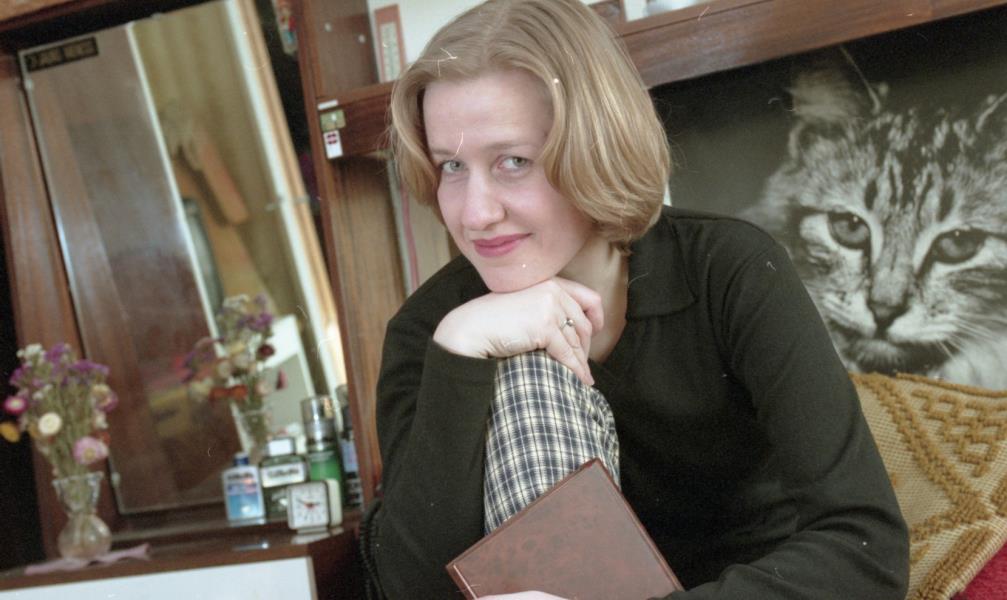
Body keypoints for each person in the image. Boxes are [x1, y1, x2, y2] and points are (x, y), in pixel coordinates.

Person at [363, 0, 910, 598]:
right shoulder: (432, 328)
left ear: (596, 146)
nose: (475, 214)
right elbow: (409, 589)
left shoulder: (729, 269)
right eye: (451, 167)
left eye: (514, 161)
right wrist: (460, 352)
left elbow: (866, 547)